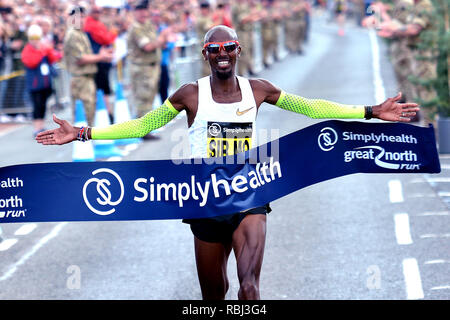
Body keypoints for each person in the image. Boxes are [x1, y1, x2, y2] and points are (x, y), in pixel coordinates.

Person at [36, 25, 419, 300]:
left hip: (248, 191)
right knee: (213, 295)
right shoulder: (189, 94)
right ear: (205, 55)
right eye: (215, 50)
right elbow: (142, 124)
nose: (223, 55)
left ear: (238, 52)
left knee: (249, 287)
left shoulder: (259, 90)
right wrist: (84, 133)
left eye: (230, 48)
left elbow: (311, 107)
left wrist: (369, 111)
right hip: (204, 197)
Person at [63, 4, 113, 126]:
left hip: (87, 78)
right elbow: (80, 59)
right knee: (84, 115)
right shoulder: (73, 34)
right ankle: (84, 143)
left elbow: (86, 55)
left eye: (83, 17)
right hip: (80, 79)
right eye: (79, 17)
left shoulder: (81, 33)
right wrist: (101, 57)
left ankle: (87, 142)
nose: (82, 20)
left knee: (90, 113)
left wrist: (101, 55)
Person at [21, 24, 61, 136]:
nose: (35, 41)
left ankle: (42, 126)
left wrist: (48, 50)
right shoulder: (27, 50)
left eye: (37, 38)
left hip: (45, 82)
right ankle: (36, 127)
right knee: (37, 105)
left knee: (43, 105)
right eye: (33, 38)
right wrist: (41, 51)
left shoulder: (44, 48)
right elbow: (31, 62)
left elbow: (53, 59)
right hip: (34, 84)